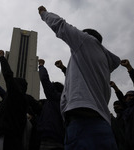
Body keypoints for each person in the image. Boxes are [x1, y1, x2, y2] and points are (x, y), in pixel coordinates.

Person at [38, 6, 120, 150]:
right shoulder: (103, 61)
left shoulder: (85, 41)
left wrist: (44, 13)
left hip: (83, 123)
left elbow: (61, 25)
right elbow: (80, 78)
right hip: (102, 124)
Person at [0, 50, 27, 150]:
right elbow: (3, 92)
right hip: (13, 136)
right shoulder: (17, 99)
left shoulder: (16, 95)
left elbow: (8, 76)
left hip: (7, 137)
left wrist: (2, 58)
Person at [37, 59, 65, 150]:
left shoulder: (54, 97)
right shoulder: (64, 100)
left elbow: (44, 79)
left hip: (51, 139)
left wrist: (41, 65)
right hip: (61, 138)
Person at [120, 59, 134, 150]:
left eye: (130, 96)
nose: (128, 98)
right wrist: (115, 88)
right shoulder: (127, 111)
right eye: (126, 96)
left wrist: (129, 68)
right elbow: (121, 101)